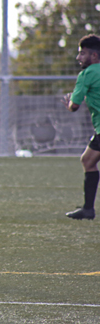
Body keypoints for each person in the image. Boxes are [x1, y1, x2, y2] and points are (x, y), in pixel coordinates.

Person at [62, 34, 100, 220]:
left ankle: (88, 209)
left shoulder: (87, 74)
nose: (78, 58)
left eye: (82, 53)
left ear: (94, 55)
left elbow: (75, 106)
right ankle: (88, 209)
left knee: (88, 161)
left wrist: (69, 103)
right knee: (88, 160)